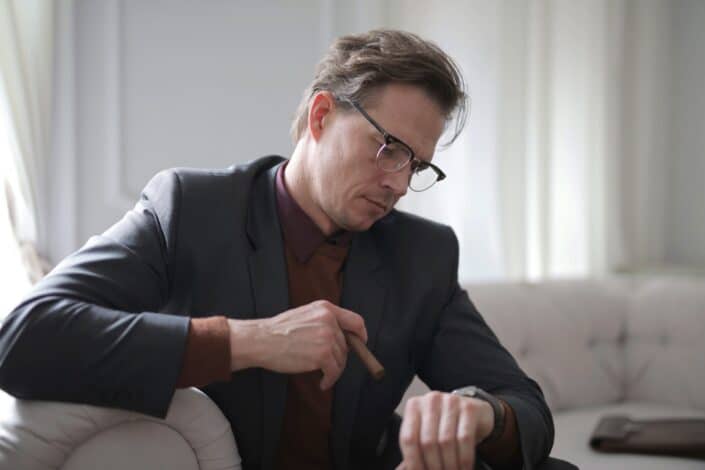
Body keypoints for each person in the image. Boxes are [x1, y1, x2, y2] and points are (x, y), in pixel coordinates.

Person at [0, 30, 555, 470]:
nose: (400, 184)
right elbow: (23, 338)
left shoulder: (422, 254)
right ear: (320, 117)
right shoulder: (191, 210)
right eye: (389, 149)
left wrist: (478, 417)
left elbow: (526, 408)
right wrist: (250, 340)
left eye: (417, 164)